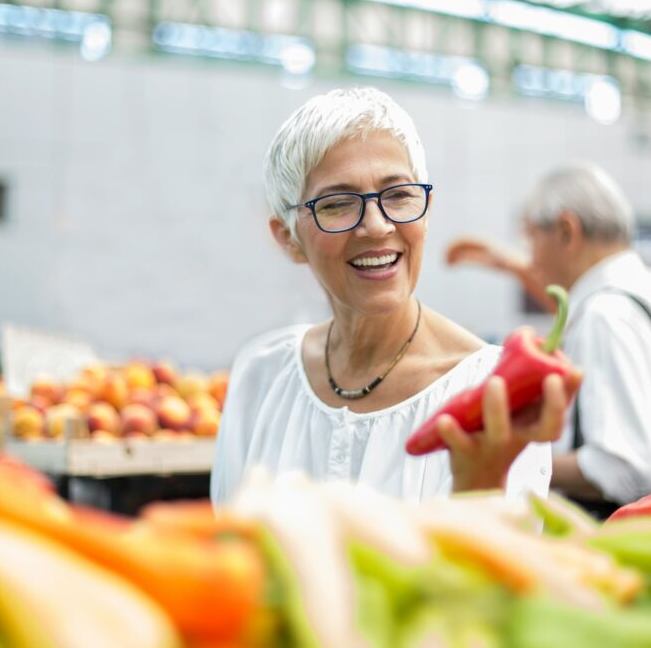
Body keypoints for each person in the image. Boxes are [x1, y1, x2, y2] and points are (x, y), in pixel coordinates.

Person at [211, 87, 580, 504]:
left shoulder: (489, 390)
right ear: (288, 239)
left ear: (426, 211)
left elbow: (499, 563)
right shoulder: (262, 374)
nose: (376, 225)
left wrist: (481, 481)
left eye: (399, 195)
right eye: (337, 204)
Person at [447, 163, 651, 517]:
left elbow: (627, 470)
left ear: (565, 231)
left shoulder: (605, 315)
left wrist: (515, 457)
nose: (531, 256)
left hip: (624, 539)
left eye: (531, 237)